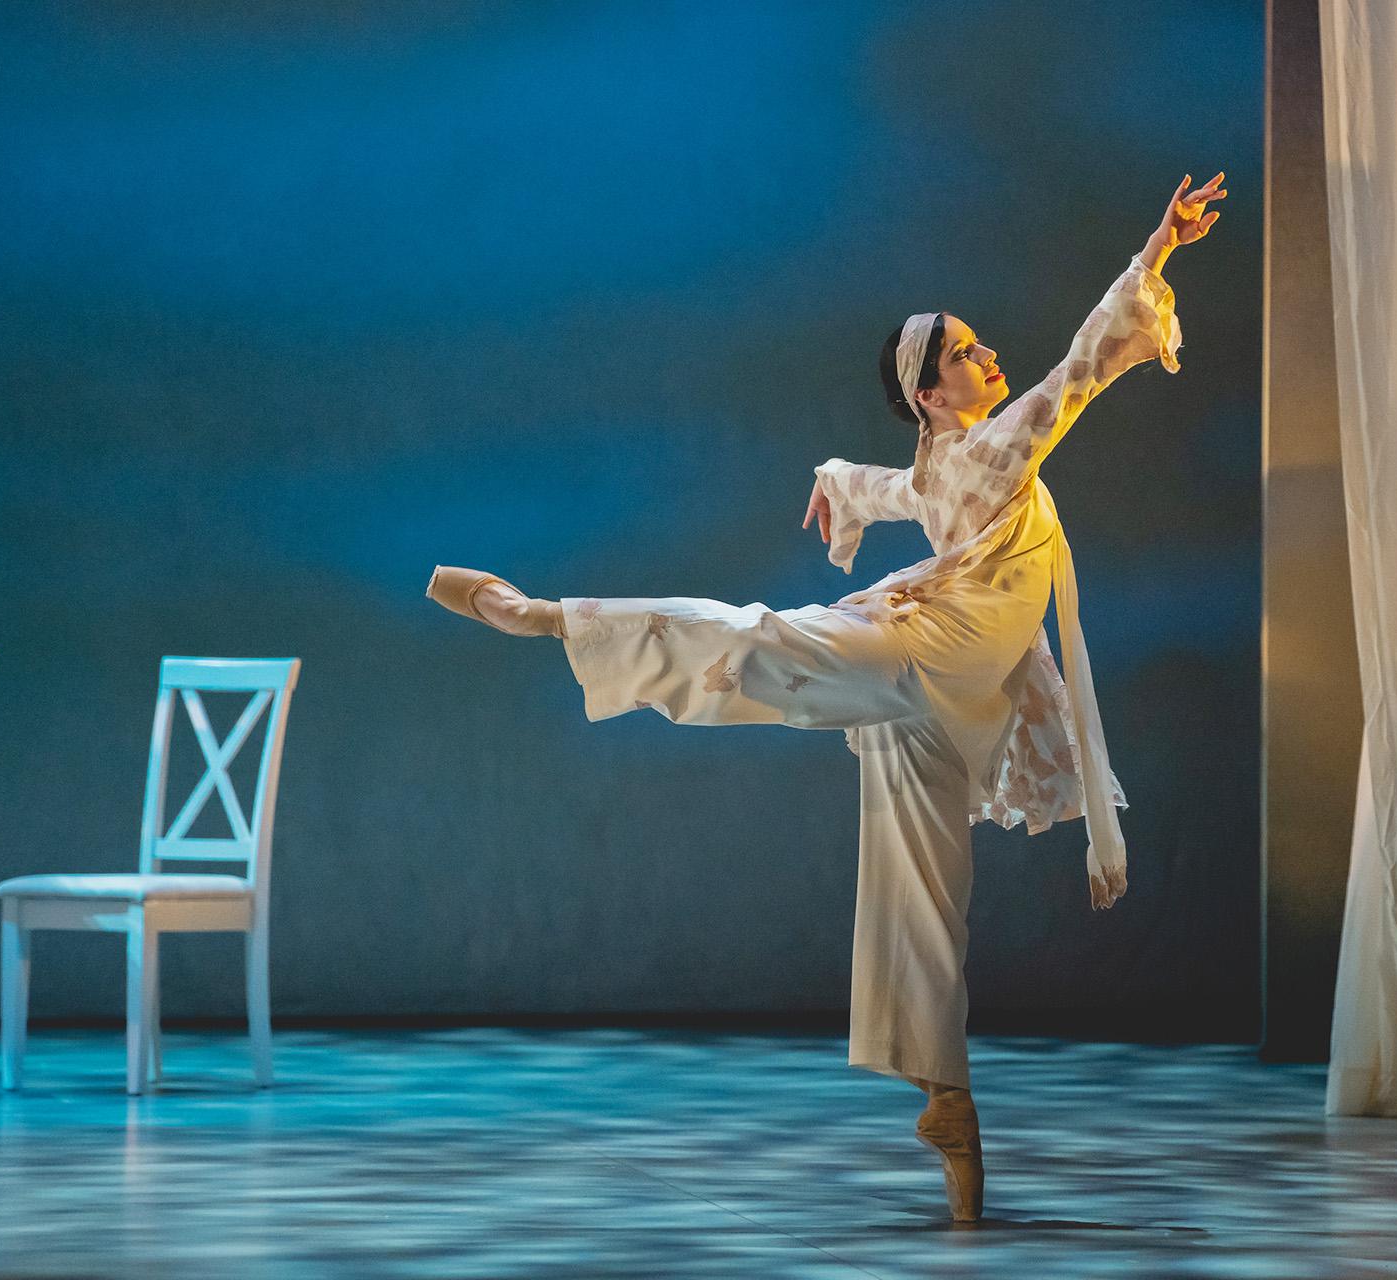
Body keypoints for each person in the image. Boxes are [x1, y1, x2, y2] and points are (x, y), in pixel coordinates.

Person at [427, 171, 1226, 1222]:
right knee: (768, 642)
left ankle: (947, 1097)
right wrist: (1157, 249)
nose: (991, 356)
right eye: (965, 355)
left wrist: (837, 477)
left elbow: (887, 483)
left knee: (925, 886)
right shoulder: (991, 449)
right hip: (922, 655)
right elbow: (1080, 370)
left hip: (950, 685)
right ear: (936, 398)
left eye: (981, 346)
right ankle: (547, 615)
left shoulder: (945, 463)